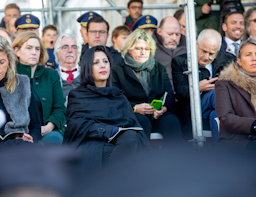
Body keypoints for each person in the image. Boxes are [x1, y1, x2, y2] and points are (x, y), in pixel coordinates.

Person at [63, 46, 150, 169]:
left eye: (105, 61)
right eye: (96, 63)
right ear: (88, 69)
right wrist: (110, 131)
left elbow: (133, 126)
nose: (102, 66)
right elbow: (76, 126)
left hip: (121, 144)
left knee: (132, 137)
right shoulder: (78, 96)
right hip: (91, 144)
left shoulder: (118, 97)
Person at [112, 29, 182, 144]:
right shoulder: (118, 70)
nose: (143, 52)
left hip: (158, 114)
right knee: (141, 122)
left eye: (146, 49)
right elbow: (116, 100)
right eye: (139, 48)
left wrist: (163, 109)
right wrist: (135, 108)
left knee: (172, 121)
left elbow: (169, 95)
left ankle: (175, 160)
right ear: (130, 50)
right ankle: (144, 161)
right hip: (134, 114)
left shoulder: (159, 68)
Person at [172, 29, 231, 141]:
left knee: (215, 115)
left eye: (211, 54)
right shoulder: (180, 61)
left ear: (218, 51)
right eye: (203, 51)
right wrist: (197, 88)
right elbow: (180, 93)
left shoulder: (228, 60)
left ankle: (220, 152)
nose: (206, 57)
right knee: (216, 93)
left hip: (216, 109)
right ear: (196, 44)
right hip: (193, 108)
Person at [12, 32, 66, 144]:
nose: (34, 52)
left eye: (37, 49)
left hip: (47, 132)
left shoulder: (51, 75)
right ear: (17, 51)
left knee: (54, 140)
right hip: (17, 134)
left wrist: (48, 127)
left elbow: (59, 107)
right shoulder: (10, 76)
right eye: (29, 48)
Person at [215, 38, 256, 149]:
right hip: (239, 141)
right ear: (239, 61)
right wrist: (253, 125)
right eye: (248, 55)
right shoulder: (225, 84)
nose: (254, 58)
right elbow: (226, 118)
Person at [0, 36, 41, 144]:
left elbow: (36, 125)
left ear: (9, 62)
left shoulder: (22, 83)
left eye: (2, 62)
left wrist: (32, 140)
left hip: (21, 146)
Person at [152, 16, 186, 90]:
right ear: (159, 32)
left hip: (185, 95)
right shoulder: (148, 47)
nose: (174, 38)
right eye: (170, 34)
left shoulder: (188, 46)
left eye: (177, 34)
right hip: (159, 95)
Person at [54, 34, 81, 102]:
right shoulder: (51, 77)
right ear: (57, 53)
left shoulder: (88, 75)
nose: (70, 50)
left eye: (74, 47)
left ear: (78, 52)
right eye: (65, 47)